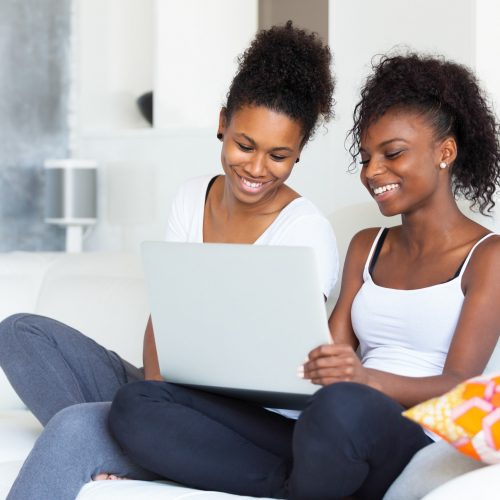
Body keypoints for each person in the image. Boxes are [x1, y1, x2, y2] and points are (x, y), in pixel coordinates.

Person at [109, 53, 500, 500]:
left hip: (408, 437)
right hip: (328, 424)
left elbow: (461, 387)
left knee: (342, 407)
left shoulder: (488, 256)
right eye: (367, 157)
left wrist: (364, 381)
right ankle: (293, 487)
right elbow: (323, 361)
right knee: (139, 404)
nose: (373, 172)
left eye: (392, 154)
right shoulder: (366, 244)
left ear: (444, 152)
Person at [0, 21, 338, 500]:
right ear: (222, 123)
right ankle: (147, 449)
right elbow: (164, 317)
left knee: (76, 429)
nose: (257, 168)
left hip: (244, 425)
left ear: (299, 153)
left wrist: (161, 409)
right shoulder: (190, 198)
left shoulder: (306, 231)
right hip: (164, 397)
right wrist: (155, 400)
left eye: (279, 155)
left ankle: (133, 446)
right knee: (19, 333)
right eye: (244, 145)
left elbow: (286, 371)